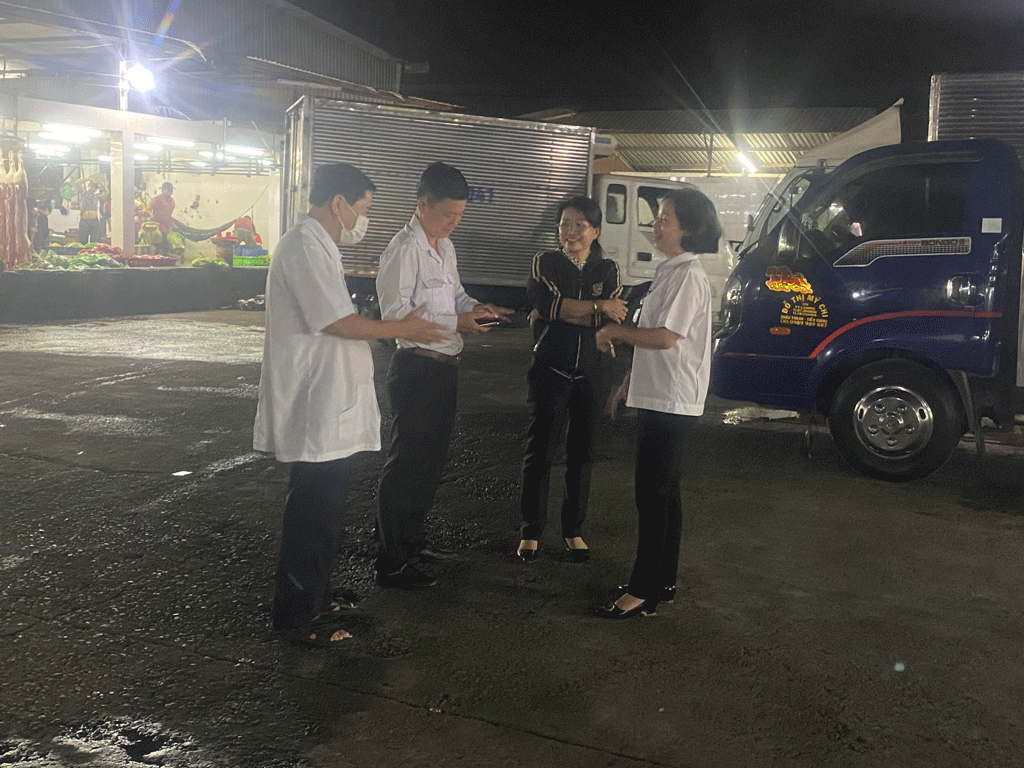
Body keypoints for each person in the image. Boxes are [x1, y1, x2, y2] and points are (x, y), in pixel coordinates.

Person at [253, 163, 445, 646]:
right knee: (313, 512)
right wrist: (403, 328)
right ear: (338, 202)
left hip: (326, 401)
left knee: (323, 508)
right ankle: (298, 617)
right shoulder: (303, 246)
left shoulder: (319, 246)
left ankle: (315, 596)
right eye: (363, 208)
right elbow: (336, 321)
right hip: (314, 403)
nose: (364, 219)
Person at [375, 161, 513, 589]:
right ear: (422, 204)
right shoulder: (403, 250)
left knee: (429, 465)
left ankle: (412, 544)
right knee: (407, 464)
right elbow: (394, 316)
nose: (454, 223)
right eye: (448, 214)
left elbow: (456, 295)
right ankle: (392, 562)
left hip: (443, 369)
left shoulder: (444, 247)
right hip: (417, 367)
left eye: (460, 215)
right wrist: (457, 322)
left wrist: (477, 310)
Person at [593, 188, 721, 619]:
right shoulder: (671, 271)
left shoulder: (688, 276)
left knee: (652, 496)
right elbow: (658, 340)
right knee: (664, 495)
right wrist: (630, 380)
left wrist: (613, 332)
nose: (656, 225)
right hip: (659, 394)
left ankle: (643, 590)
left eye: (665, 219)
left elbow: (665, 338)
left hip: (672, 399)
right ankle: (662, 582)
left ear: (688, 229)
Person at [516, 196, 626, 563]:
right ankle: (530, 530)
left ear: (596, 231)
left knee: (582, 452)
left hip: (593, 372)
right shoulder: (545, 262)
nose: (571, 231)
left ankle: (573, 530)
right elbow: (547, 305)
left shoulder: (608, 268)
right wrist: (595, 307)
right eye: (565, 223)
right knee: (540, 450)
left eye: (580, 224)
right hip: (550, 368)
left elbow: (612, 319)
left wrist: (568, 311)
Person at [76, 179, 106, 244]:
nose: (93, 189)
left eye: (95, 188)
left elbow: (106, 192)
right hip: (84, 221)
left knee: (94, 242)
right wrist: (88, 179)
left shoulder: (96, 196)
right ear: (88, 186)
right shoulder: (83, 193)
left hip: (94, 222)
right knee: (82, 242)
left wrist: (101, 183)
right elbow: (77, 183)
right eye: (92, 186)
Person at [150, 182, 175, 254]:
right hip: (158, 227)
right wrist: (151, 215)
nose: (170, 192)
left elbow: (169, 214)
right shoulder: (157, 199)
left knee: (165, 245)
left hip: (167, 227)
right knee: (165, 245)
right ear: (164, 190)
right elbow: (148, 209)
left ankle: (162, 256)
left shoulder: (171, 201)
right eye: (169, 190)